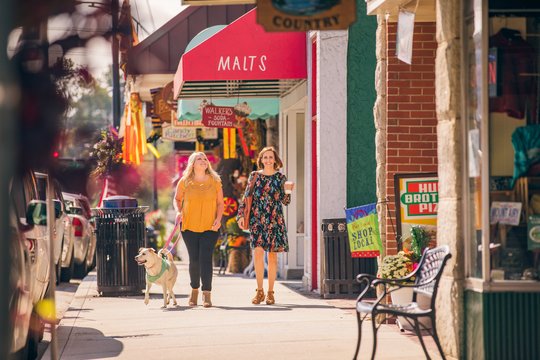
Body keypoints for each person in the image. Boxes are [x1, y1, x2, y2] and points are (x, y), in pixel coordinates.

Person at [237, 146, 294, 305]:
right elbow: (246, 197)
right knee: (258, 253)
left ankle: (270, 292)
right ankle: (259, 291)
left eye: (271, 157)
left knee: (273, 257)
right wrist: (241, 215)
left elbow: (285, 202)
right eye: (265, 157)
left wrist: (288, 191)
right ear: (261, 160)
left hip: (275, 220)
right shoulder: (254, 176)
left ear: (275, 160)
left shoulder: (280, 178)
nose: (268, 160)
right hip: (257, 219)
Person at [174, 152, 224, 308]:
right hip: (189, 226)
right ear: (192, 164)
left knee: (205, 258)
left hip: (210, 226)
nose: (203, 161)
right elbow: (177, 199)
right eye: (199, 159)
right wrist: (178, 212)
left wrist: (218, 219)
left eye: (205, 159)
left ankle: (207, 293)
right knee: (194, 259)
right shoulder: (185, 181)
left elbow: (220, 203)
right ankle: (194, 290)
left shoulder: (215, 181)